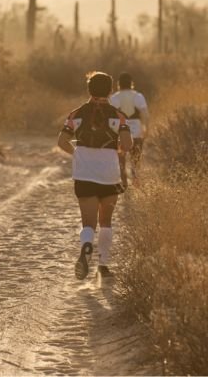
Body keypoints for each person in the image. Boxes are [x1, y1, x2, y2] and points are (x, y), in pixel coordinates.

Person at [57, 71, 133, 279]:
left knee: (88, 223)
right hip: (109, 173)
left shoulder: (76, 114)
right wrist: (116, 149)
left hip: (84, 173)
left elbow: (62, 141)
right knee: (106, 221)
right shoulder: (119, 116)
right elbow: (127, 145)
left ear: (89, 89)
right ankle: (103, 265)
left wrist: (77, 153)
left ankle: (86, 245)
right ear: (110, 91)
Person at [108, 72, 149, 187]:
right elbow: (145, 114)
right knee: (136, 158)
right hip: (137, 130)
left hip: (120, 131)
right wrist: (146, 128)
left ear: (119, 84)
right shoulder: (138, 96)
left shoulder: (114, 98)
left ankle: (124, 181)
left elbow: (111, 117)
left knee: (121, 157)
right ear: (131, 83)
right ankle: (136, 180)